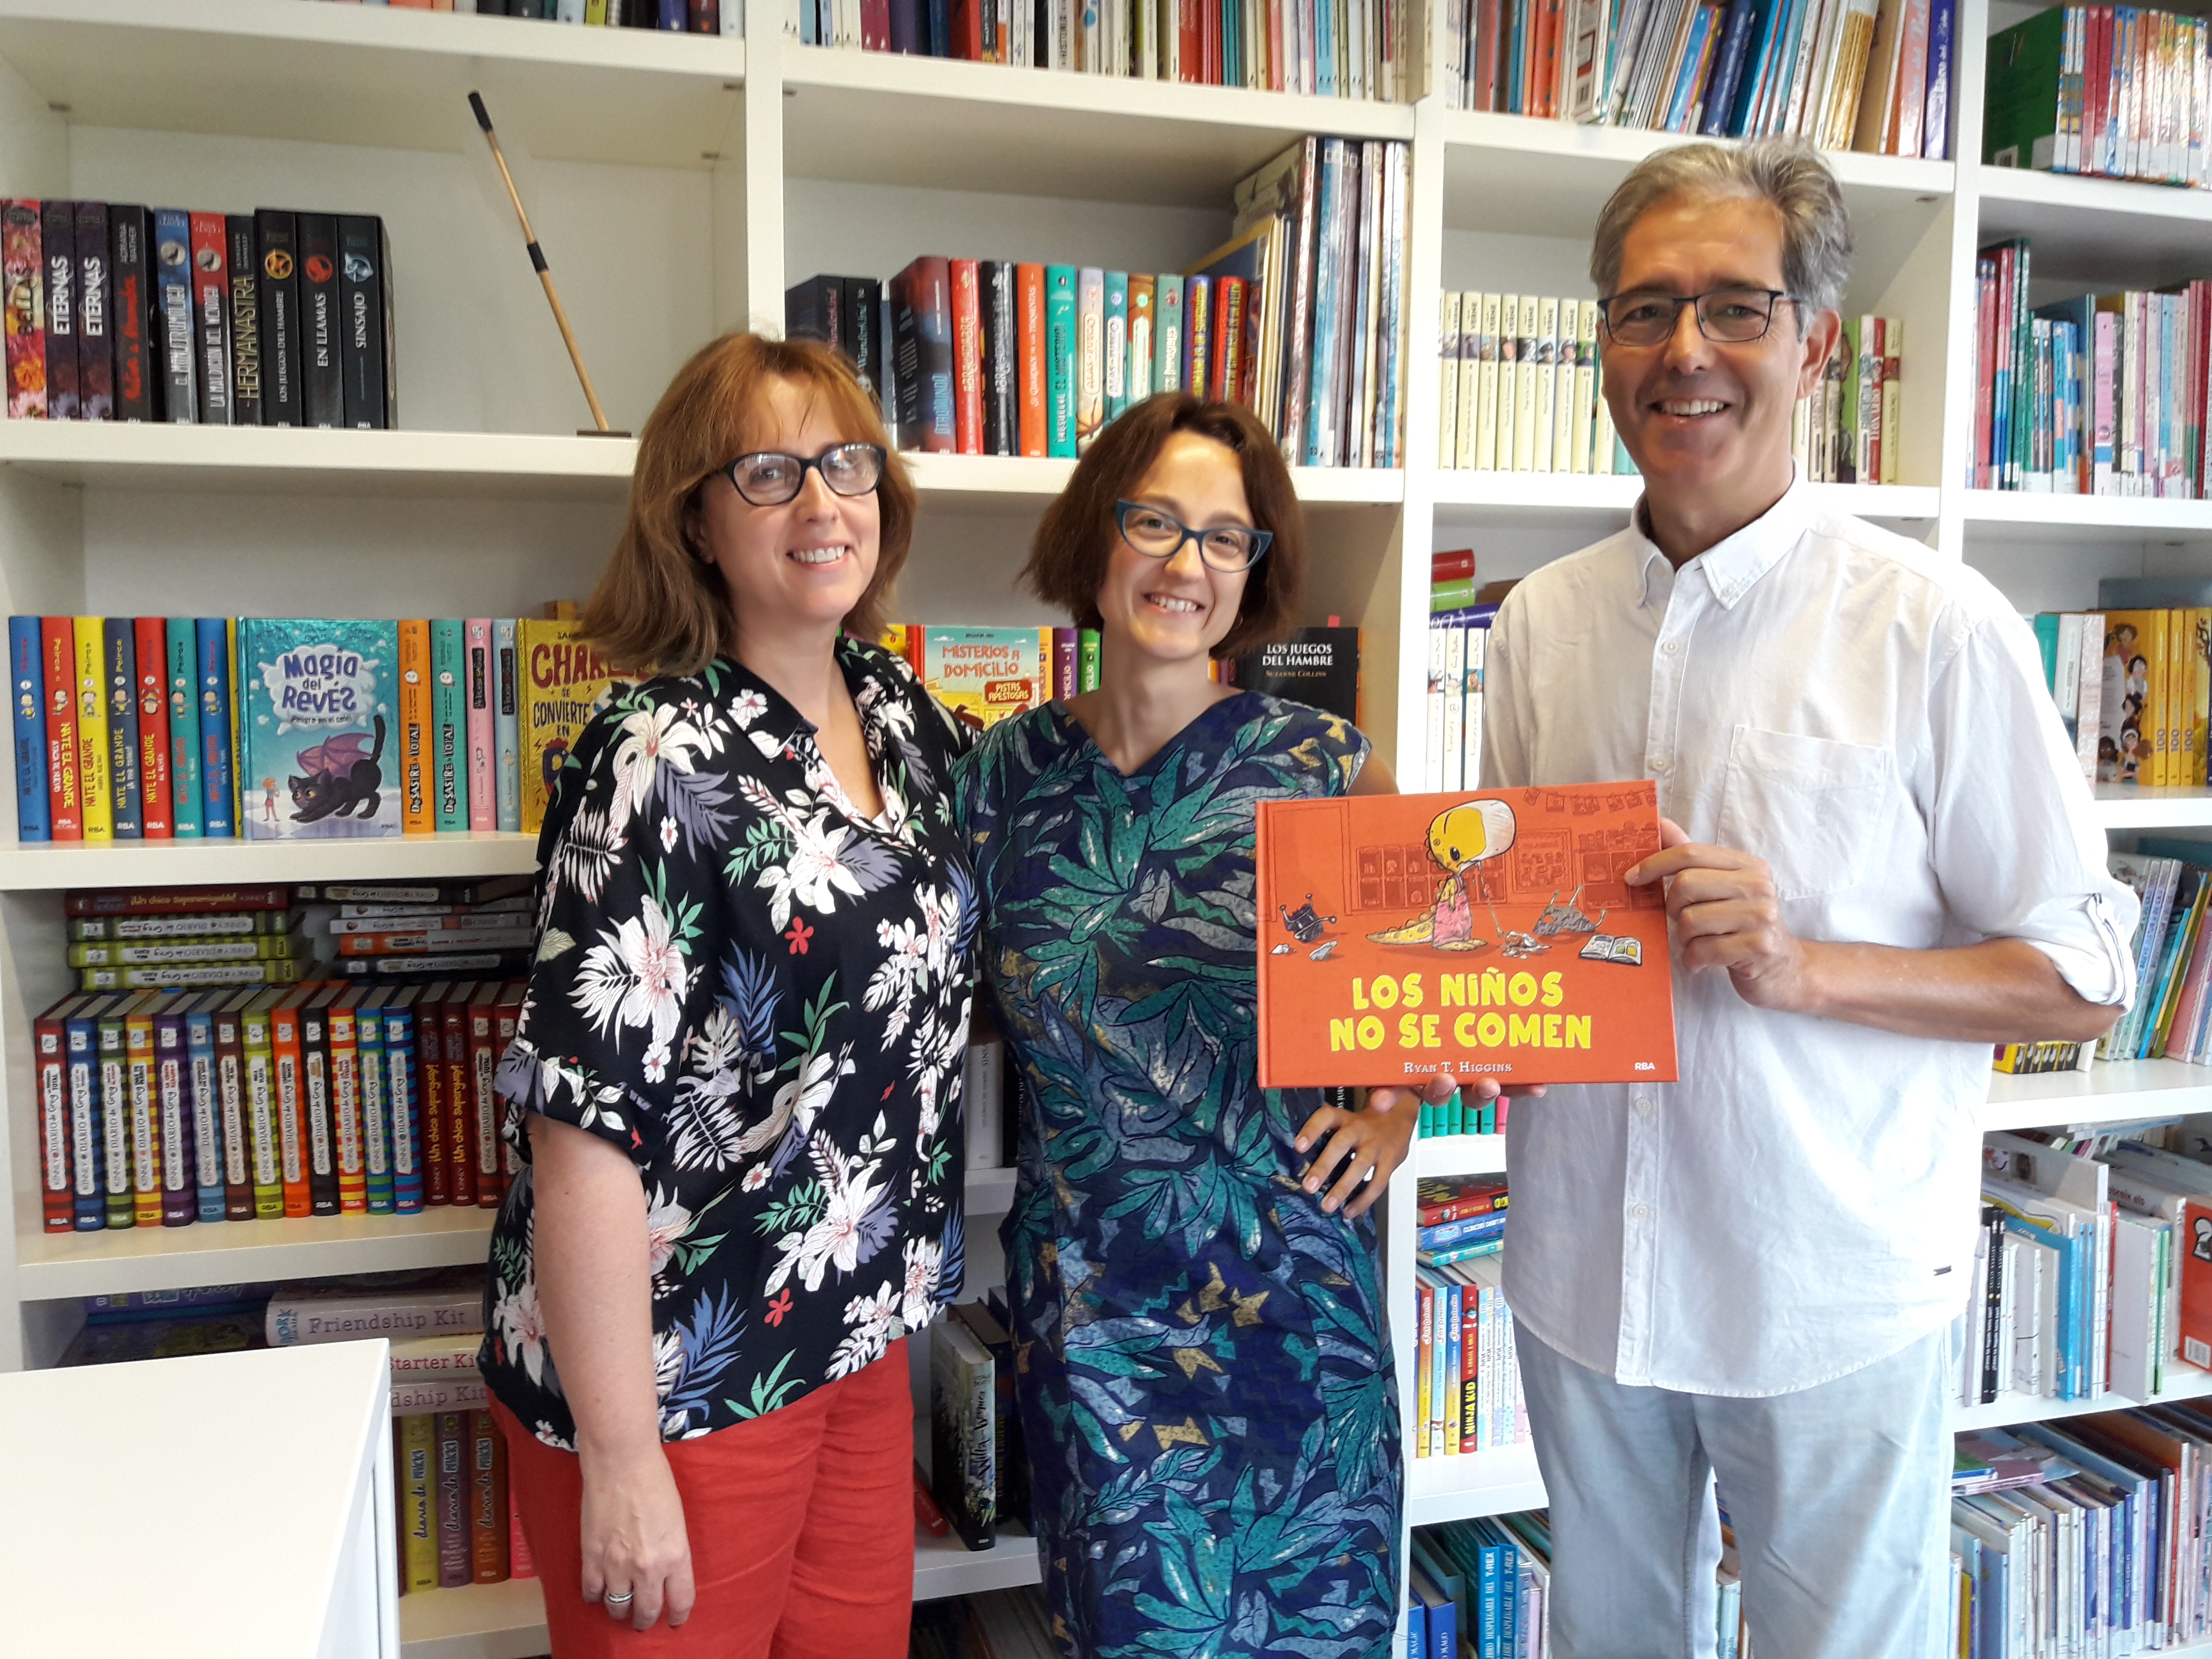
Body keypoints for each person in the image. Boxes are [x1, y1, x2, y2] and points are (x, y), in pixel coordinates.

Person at [1479, 139, 2140, 1657]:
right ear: (1603, 342)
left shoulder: (1934, 626)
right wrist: (1471, 1009)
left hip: (1824, 1290)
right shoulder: (1538, 623)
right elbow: (1525, 939)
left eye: (1736, 306)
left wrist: (1807, 966)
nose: (1685, 350)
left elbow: (2087, 972)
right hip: (1585, 1273)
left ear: (1816, 343)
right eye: (1645, 308)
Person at [479, 333, 976, 1657]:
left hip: (853, 1338)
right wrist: (621, 1460)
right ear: (693, 520)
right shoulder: (655, 757)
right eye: (768, 472)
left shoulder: (905, 718)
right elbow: (580, 1132)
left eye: (846, 464)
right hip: (676, 1372)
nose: (822, 502)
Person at [959, 393, 1458, 1658]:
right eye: (1157, 523)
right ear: (1098, 532)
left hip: (1295, 1310)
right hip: (1097, 1321)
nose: (1188, 564)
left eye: (1226, 538)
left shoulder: (1325, 768)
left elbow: (1427, 973)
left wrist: (1396, 1111)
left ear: (1253, 569)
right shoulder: (1000, 779)